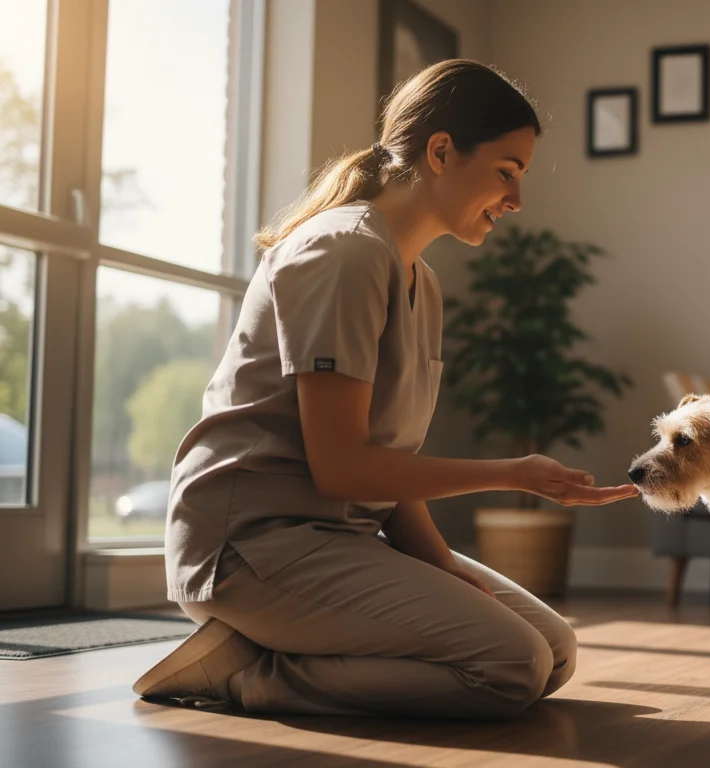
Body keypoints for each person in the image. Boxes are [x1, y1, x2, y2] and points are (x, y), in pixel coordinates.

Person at [131, 59, 639, 718]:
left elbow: (388, 466)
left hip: (335, 541)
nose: (516, 201)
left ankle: (275, 649)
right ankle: (243, 672)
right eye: (507, 172)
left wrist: (445, 570)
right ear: (441, 152)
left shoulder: (419, 282)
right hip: (249, 548)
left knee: (554, 651)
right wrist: (513, 473)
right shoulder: (343, 252)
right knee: (513, 665)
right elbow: (344, 467)